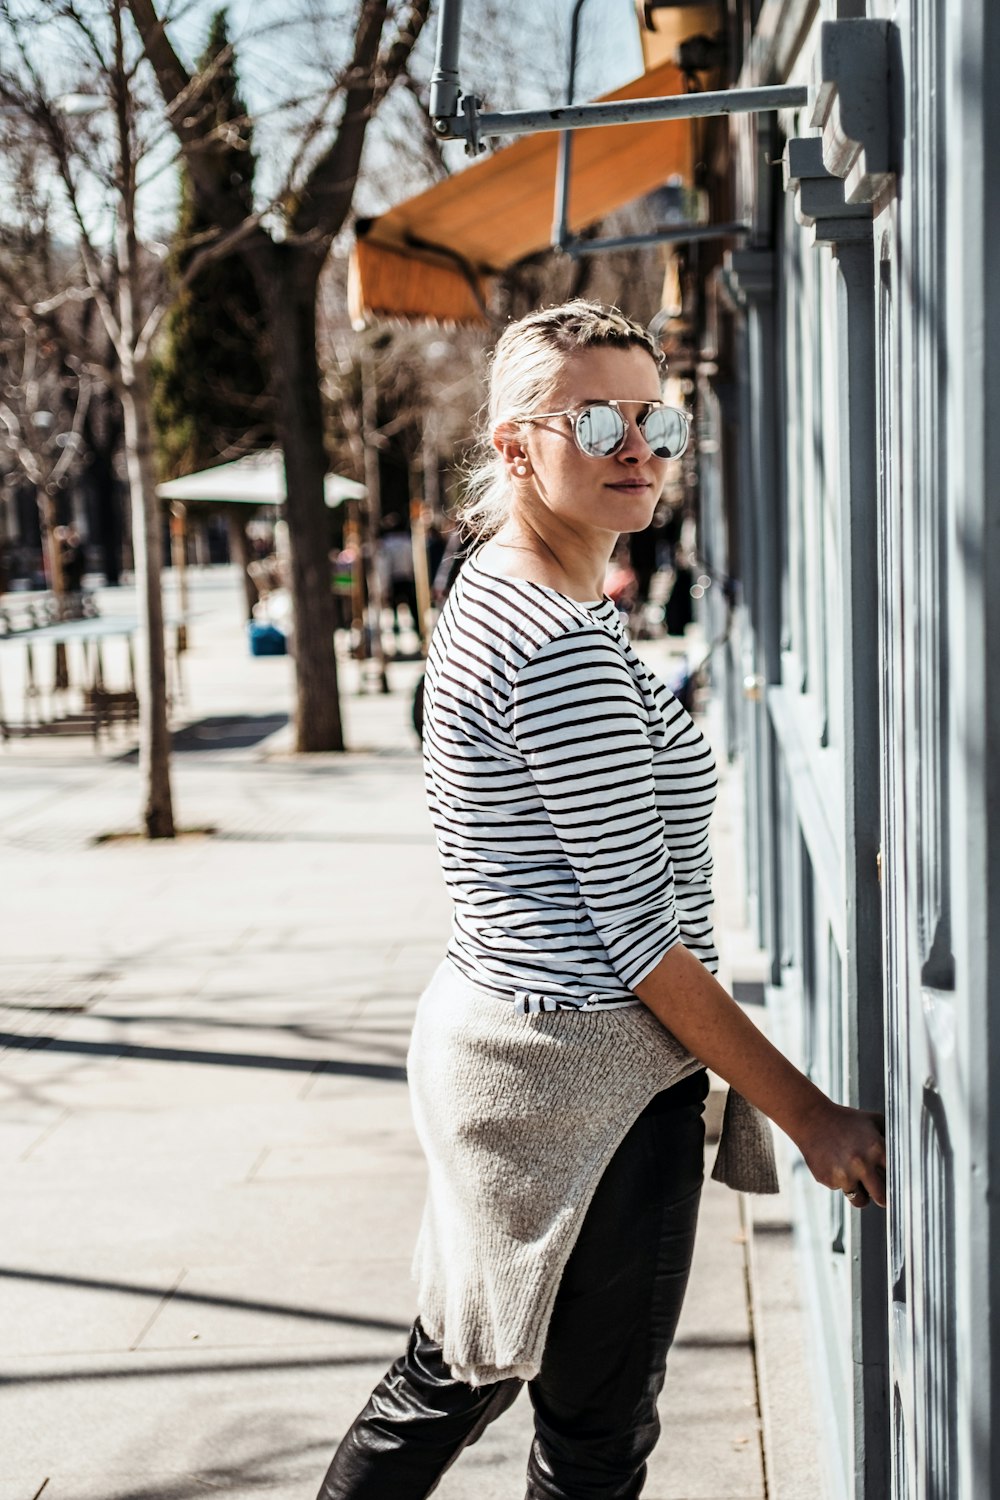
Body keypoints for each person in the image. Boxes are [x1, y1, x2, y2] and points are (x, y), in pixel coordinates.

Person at [315, 301, 886, 1500]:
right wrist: (810, 1117)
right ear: (517, 446)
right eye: (596, 418)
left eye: (655, 416)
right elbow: (641, 944)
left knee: (453, 1370)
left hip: (516, 1048)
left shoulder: (505, 582)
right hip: (590, 1078)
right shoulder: (557, 639)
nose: (638, 445)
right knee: (585, 1438)